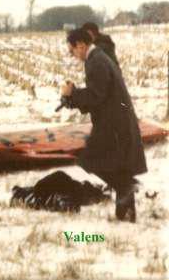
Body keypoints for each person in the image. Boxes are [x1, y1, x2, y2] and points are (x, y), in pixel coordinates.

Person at [61, 29, 146, 222]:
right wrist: (74, 96)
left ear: (80, 45)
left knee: (91, 160)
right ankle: (125, 214)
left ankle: (126, 188)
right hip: (117, 121)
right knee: (118, 166)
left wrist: (72, 95)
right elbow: (98, 93)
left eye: (71, 51)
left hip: (113, 124)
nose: (72, 55)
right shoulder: (98, 57)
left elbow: (95, 95)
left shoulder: (96, 61)